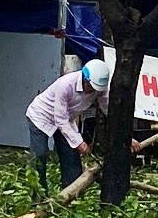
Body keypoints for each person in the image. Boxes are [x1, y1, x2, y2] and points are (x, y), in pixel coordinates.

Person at [26, 57, 109, 194]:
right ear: (84, 78)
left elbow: (108, 109)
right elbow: (60, 119)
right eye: (90, 86)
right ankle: (38, 196)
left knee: (71, 156)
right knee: (39, 155)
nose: (92, 90)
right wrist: (79, 142)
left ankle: (70, 194)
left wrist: (126, 135)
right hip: (42, 116)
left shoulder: (100, 88)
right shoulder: (65, 85)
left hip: (66, 119)